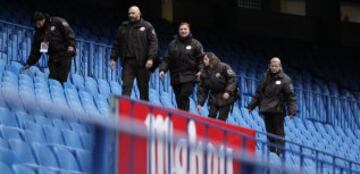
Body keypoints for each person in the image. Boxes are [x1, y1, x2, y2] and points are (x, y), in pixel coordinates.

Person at [247, 57, 297, 155]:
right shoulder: (265, 76)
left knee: (279, 133)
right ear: (269, 66)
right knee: (269, 132)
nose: (274, 68)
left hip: (278, 110)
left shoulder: (285, 80)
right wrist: (251, 106)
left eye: (276, 66)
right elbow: (259, 93)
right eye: (272, 66)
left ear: (280, 67)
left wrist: (292, 111)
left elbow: (290, 97)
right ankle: (272, 152)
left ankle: (280, 153)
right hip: (266, 109)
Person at [109, 6, 158, 101]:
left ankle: (144, 112)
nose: (131, 15)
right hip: (128, 62)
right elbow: (117, 44)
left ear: (139, 14)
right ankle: (123, 111)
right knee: (126, 86)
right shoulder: (123, 27)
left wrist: (151, 58)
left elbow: (154, 43)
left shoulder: (147, 26)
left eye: (133, 13)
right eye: (129, 13)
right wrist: (113, 58)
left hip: (143, 63)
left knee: (143, 89)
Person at [159, 22, 204, 111]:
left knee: (184, 96)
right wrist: (162, 70)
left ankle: (185, 118)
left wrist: (201, 71)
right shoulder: (172, 44)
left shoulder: (196, 44)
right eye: (181, 29)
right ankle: (182, 118)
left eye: (185, 29)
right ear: (179, 31)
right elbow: (167, 59)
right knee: (179, 99)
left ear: (189, 30)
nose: (183, 31)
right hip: (176, 76)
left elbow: (201, 59)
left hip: (190, 76)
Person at [24, 11, 76, 84]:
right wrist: (29, 63)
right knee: (52, 79)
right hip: (53, 56)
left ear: (43, 19)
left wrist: (71, 45)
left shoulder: (57, 21)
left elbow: (69, 33)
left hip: (64, 53)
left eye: (39, 23)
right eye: (36, 24)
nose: (38, 26)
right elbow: (36, 50)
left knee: (62, 79)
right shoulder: (39, 33)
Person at [197, 52, 238, 121]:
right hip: (214, 97)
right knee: (211, 116)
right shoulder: (204, 72)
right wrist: (200, 103)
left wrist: (228, 92)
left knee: (221, 119)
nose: (204, 61)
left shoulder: (224, 67)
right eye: (203, 59)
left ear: (211, 59)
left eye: (206, 59)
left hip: (226, 98)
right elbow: (203, 89)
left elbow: (232, 79)